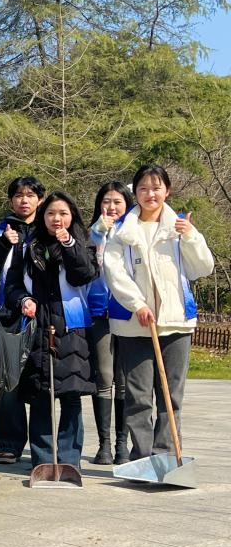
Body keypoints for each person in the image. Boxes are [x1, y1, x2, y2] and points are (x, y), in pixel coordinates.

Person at [104, 164, 214, 464]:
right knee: (138, 397)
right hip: (134, 325)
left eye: (156, 188)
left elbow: (202, 268)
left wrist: (191, 237)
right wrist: (137, 304)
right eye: (143, 188)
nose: (150, 194)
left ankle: (165, 456)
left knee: (171, 395)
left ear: (167, 190)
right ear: (135, 192)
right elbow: (114, 273)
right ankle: (142, 458)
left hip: (176, 323)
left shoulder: (179, 228)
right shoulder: (121, 231)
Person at [5, 192, 98, 471]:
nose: (56, 219)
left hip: (71, 327)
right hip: (37, 327)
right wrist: (24, 300)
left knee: (71, 395)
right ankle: (43, 460)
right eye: (50, 213)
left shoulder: (82, 243)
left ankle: (69, 460)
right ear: (42, 216)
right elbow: (12, 286)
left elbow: (83, 274)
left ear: (72, 216)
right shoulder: (27, 246)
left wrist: (68, 244)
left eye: (63, 213)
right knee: (40, 395)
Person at [0, 176, 45, 465]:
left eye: (30, 195)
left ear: (40, 200)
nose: (24, 200)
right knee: (9, 381)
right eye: (19, 195)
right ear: (11, 200)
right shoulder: (0, 230)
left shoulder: (47, 228)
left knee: (39, 380)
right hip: (8, 315)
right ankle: (9, 443)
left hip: (42, 314)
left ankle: (42, 446)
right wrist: (2, 244)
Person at [87, 181, 133, 465]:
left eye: (118, 202)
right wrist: (99, 232)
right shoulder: (91, 233)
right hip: (99, 313)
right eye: (107, 201)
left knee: (124, 381)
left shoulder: (135, 232)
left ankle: (122, 445)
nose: (112, 207)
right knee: (103, 379)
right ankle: (104, 445)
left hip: (127, 312)